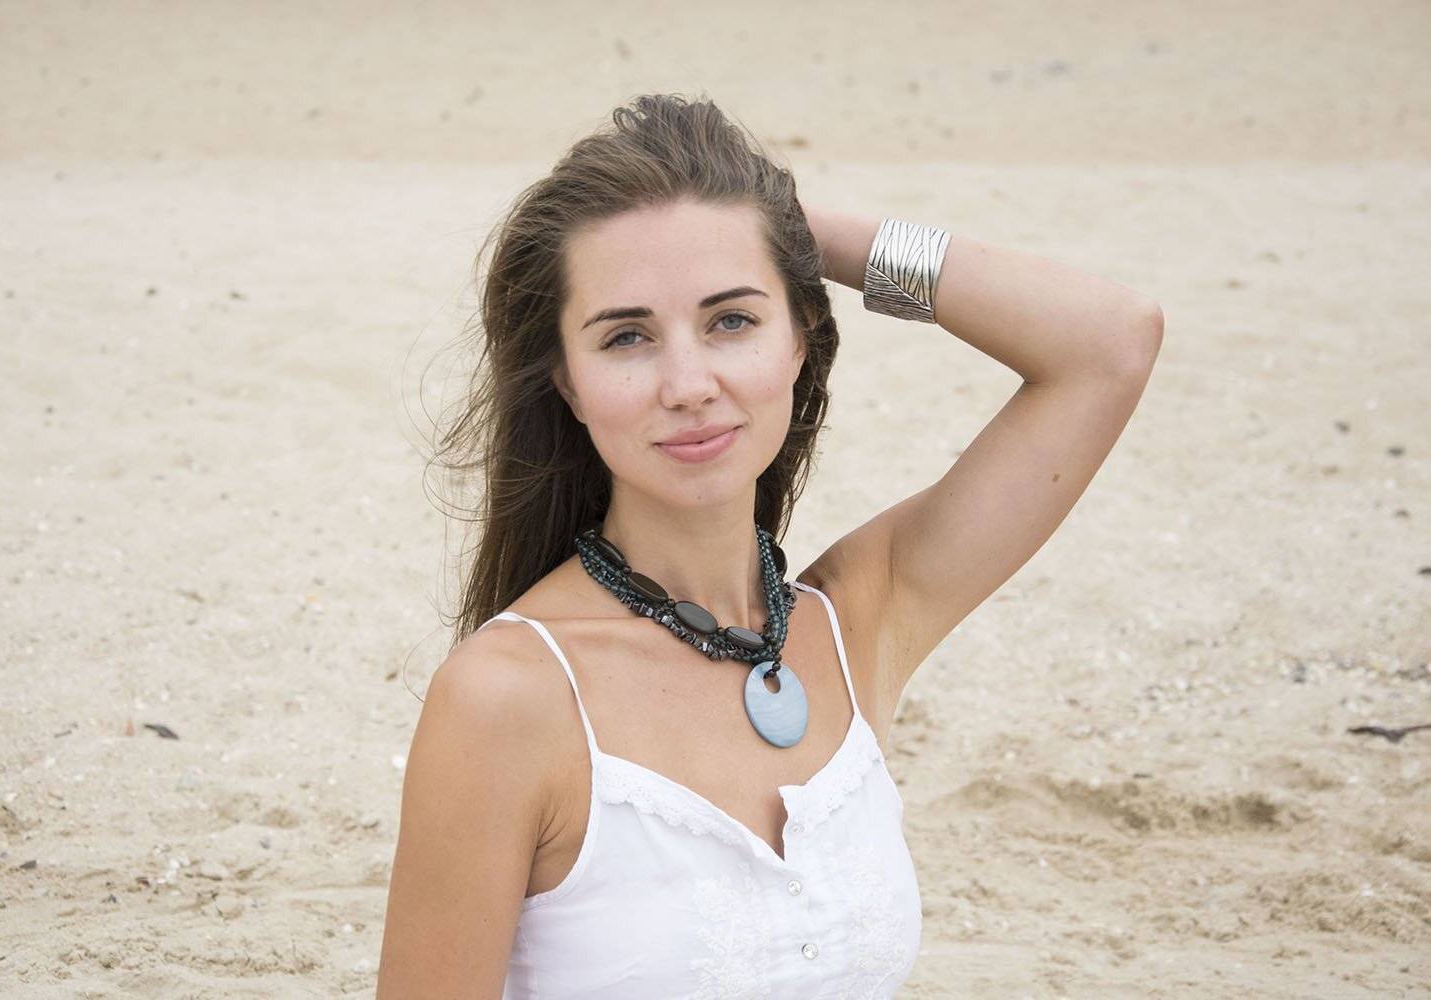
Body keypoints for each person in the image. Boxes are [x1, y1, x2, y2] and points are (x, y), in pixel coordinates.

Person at [377, 93, 1163, 998]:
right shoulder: (508, 698)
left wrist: (794, 234)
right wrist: (746, 252)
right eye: (627, 336)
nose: (688, 384)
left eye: (732, 320)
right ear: (569, 384)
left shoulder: (858, 623)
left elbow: (1110, 341)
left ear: (801, 337)